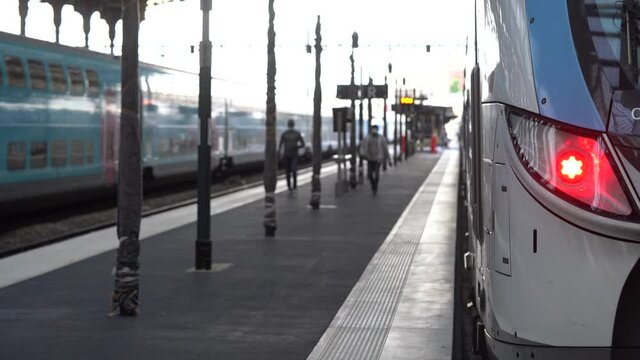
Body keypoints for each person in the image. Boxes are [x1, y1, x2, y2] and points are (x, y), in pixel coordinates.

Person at [360, 125, 391, 194]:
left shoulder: (381, 138)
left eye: (375, 129)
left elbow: (385, 149)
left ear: (377, 130)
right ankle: (373, 184)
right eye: (373, 129)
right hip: (370, 158)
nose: (374, 130)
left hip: (378, 159)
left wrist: (389, 160)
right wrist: (363, 154)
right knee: (370, 174)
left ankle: (375, 186)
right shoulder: (367, 138)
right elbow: (363, 147)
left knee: (377, 174)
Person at [279, 119, 306, 191]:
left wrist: (280, 154)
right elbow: (303, 144)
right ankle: (292, 186)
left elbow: (280, 145)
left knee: (289, 171)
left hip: (290, 155)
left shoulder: (285, 134)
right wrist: (297, 146)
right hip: (292, 155)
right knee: (292, 170)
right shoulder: (297, 133)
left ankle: (291, 186)